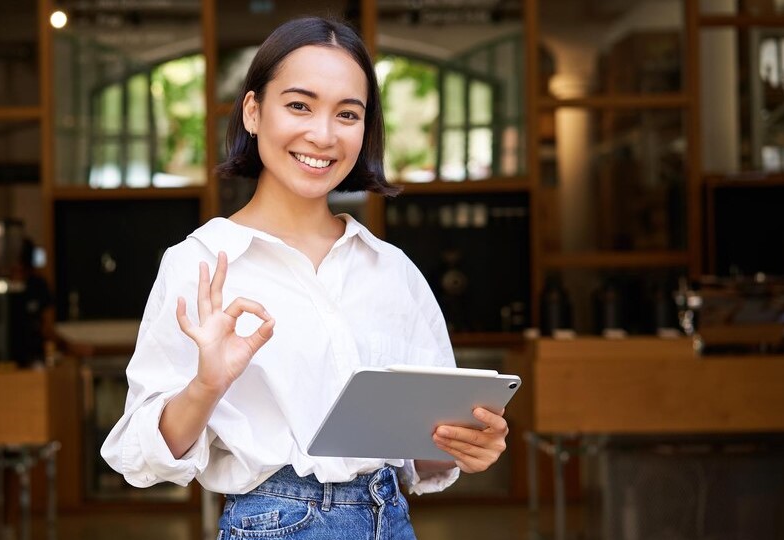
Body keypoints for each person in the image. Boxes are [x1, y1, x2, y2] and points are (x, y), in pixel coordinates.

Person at [101, 16, 509, 539]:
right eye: (299, 105)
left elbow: (419, 456)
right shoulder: (201, 263)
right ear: (253, 111)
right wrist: (206, 386)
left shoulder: (391, 270)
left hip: (391, 520)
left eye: (347, 114)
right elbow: (140, 458)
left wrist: (463, 447)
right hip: (275, 521)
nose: (322, 134)